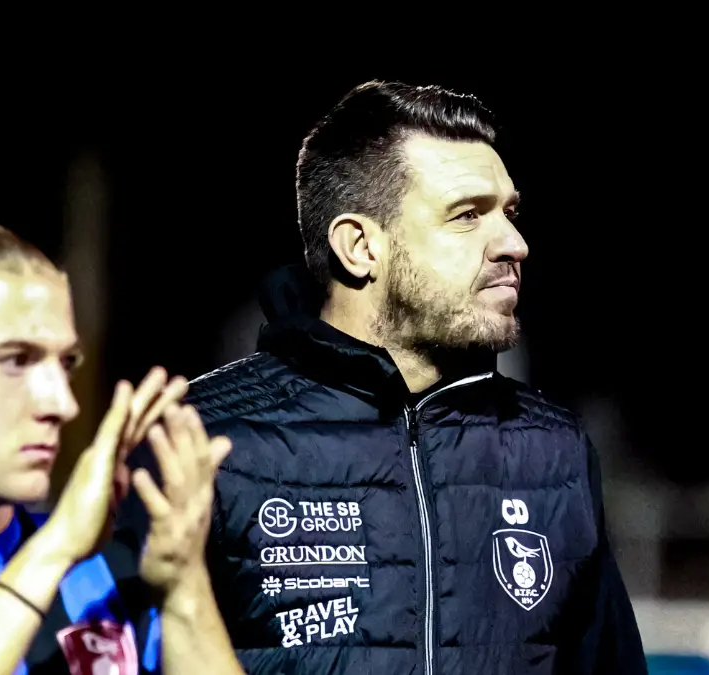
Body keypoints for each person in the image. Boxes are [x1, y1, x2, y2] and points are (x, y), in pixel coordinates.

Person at [122, 81, 647, 674]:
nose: (514, 244)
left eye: (509, 213)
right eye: (467, 215)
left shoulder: (554, 449)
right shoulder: (200, 438)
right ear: (360, 247)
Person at [0, 209, 246, 675]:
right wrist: (56, 548)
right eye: (15, 360)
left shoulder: (104, 572)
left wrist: (182, 580)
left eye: (65, 363)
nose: (62, 403)